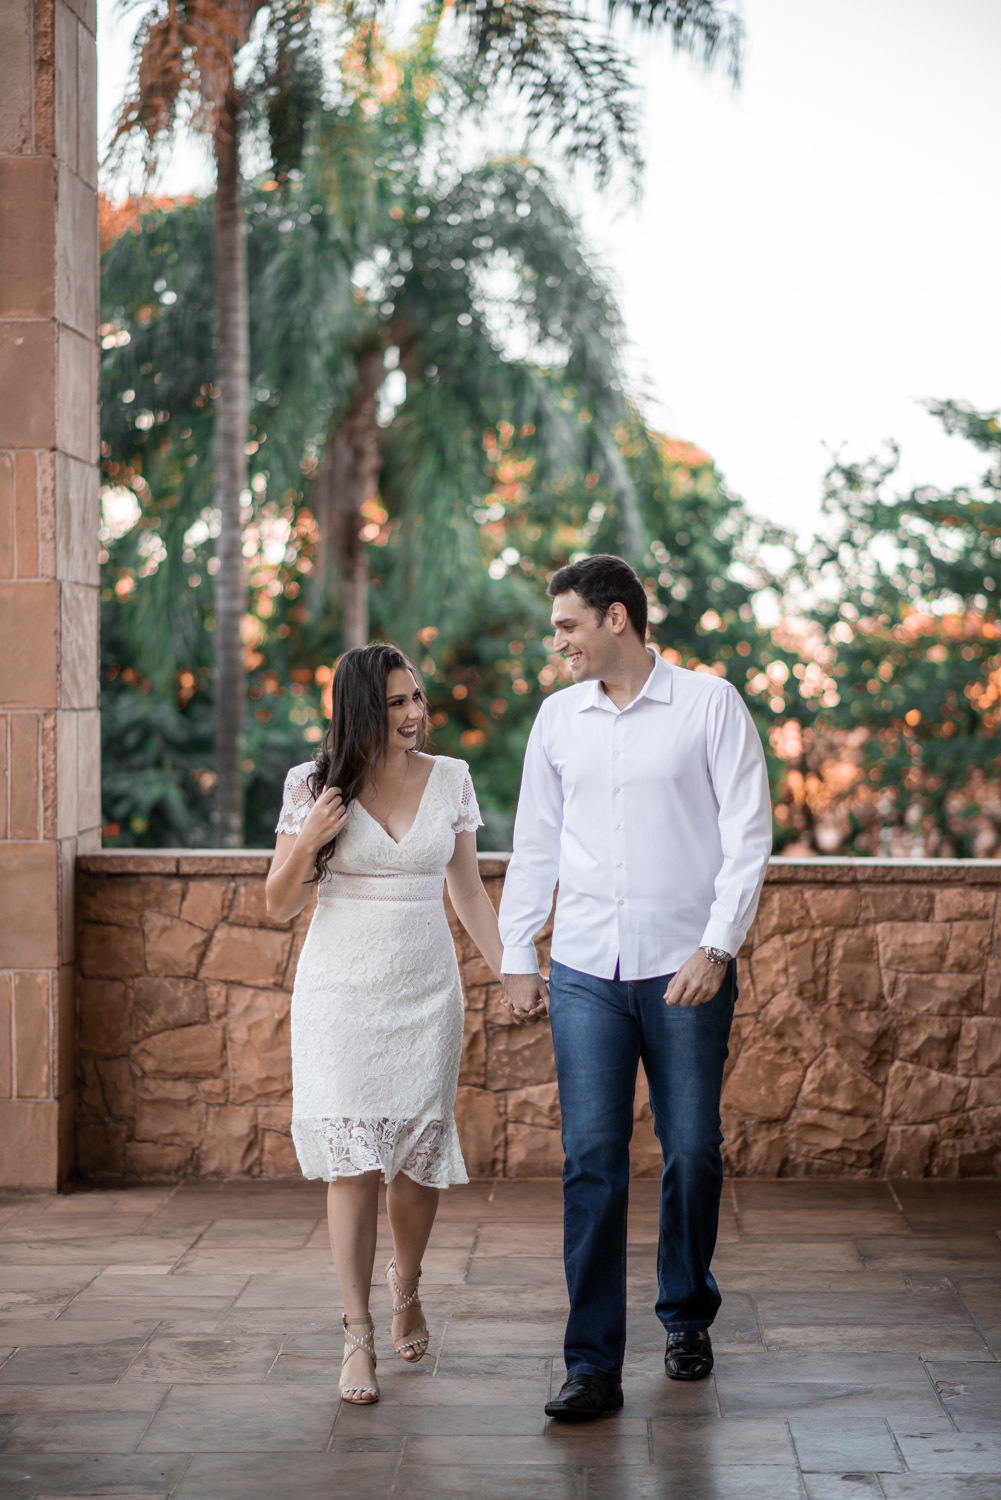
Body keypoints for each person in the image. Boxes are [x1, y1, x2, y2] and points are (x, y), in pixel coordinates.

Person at [498, 555, 772, 1421]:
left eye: (567, 626)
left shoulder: (709, 704)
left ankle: (685, 1314)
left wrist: (717, 948)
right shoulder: (557, 719)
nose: (558, 643)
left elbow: (747, 836)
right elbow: (535, 841)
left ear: (615, 618)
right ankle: (590, 1364)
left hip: (687, 969)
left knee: (691, 1149)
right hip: (585, 969)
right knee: (591, 1159)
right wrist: (516, 948)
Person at [266, 643, 547, 1405]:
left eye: (417, 696)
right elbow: (278, 904)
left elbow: (469, 893)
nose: (415, 712)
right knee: (353, 1163)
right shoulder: (310, 784)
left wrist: (512, 971)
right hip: (338, 995)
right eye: (396, 702)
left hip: (425, 991)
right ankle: (357, 1335)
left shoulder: (451, 778)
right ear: (362, 708)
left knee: (417, 1162)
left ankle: (408, 1284)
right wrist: (312, 835)